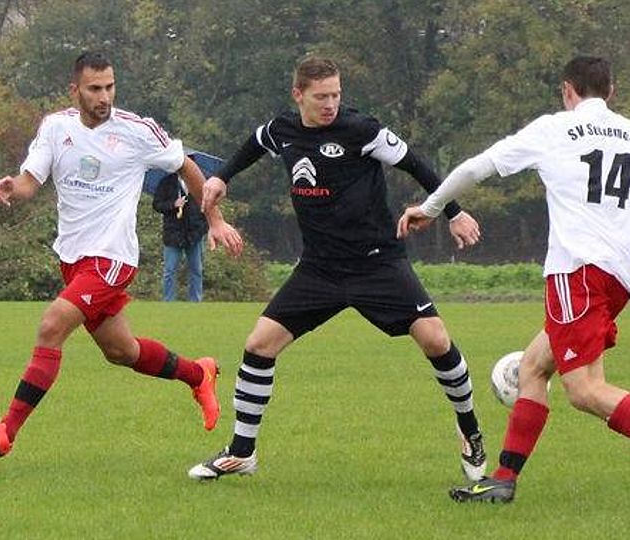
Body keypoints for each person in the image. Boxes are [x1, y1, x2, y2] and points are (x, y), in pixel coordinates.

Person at [398, 56, 630, 508]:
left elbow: (476, 168)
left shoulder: (554, 130)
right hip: (617, 280)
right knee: (533, 367)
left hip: (575, 275)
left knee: (583, 391)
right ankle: (503, 480)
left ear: (568, 91)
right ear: (611, 91)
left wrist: (429, 209)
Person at [187, 56, 488, 481]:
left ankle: (470, 431)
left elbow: (418, 165)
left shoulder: (363, 130)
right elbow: (255, 142)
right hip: (319, 270)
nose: (330, 104)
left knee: (437, 341)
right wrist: (223, 178)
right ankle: (241, 453)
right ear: (299, 95)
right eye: (321, 96)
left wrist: (452, 211)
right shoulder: (283, 130)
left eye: (336, 95)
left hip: (376, 263)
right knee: (259, 345)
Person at [0, 51, 244, 457]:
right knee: (122, 352)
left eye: (110, 87)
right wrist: (13, 187)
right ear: (75, 90)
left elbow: (187, 167)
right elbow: (31, 179)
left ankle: (6, 430)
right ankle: (197, 373)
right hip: (73, 259)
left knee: (51, 326)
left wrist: (215, 221)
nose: (104, 96)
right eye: (95, 88)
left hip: (112, 258)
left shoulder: (137, 130)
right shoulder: (56, 127)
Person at [153, 171, 208, 301]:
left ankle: (196, 301)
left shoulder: (199, 183)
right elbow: (157, 205)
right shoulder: (166, 182)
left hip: (194, 234)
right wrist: (173, 204)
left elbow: (206, 206)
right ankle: (168, 301)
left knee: (196, 270)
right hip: (173, 234)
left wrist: (203, 228)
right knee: (170, 270)